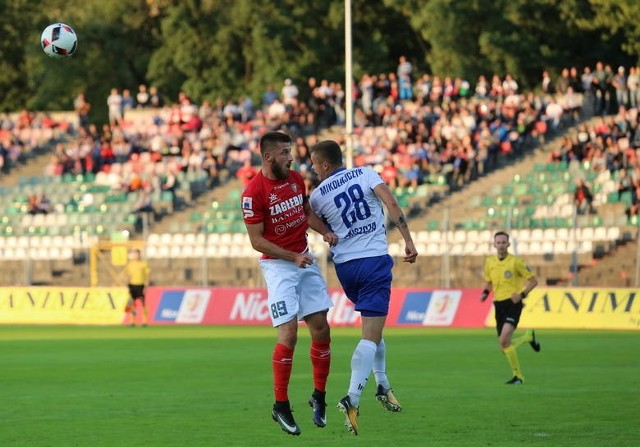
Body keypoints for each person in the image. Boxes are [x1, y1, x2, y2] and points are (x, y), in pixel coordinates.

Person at [308, 140, 418, 435]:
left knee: (373, 327)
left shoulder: (317, 196)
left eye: (314, 164)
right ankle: (352, 398)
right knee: (370, 335)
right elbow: (391, 203)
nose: (312, 168)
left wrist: (327, 232)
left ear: (325, 165)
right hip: (373, 263)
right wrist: (408, 239)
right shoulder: (365, 174)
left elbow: (308, 217)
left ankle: (382, 383)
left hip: (346, 269)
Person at [241, 131, 338, 436]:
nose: (291, 157)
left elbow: (305, 212)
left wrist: (323, 231)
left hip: (303, 258)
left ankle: (318, 396)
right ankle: (280, 405)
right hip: (279, 266)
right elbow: (257, 241)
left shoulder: (295, 179)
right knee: (290, 333)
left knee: (321, 327)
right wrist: (291, 257)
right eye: (284, 152)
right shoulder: (253, 193)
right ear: (268, 156)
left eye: (290, 151)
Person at [480, 231, 540, 385]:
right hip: (498, 304)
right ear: (494, 245)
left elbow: (533, 281)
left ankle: (518, 376)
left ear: (508, 244)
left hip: (513, 303)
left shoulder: (516, 262)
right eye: (498, 242)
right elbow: (488, 282)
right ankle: (528, 337)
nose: (501, 245)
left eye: (503, 242)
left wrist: (522, 294)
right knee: (503, 346)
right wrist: (485, 293)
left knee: (505, 340)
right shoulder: (489, 262)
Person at [125, 249, 151, 326]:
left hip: (140, 285)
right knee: (132, 304)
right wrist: (127, 285)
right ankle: (132, 321)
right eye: (135, 254)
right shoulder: (130, 264)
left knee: (143, 303)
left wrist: (146, 286)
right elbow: (128, 275)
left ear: (140, 255)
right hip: (132, 285)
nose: (136, 256)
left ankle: (144, 321)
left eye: (138, 254)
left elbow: (147, 275)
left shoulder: (143, 264)